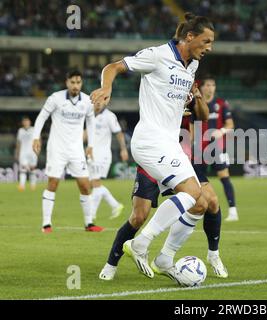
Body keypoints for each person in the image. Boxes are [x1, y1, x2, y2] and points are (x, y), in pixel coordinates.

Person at [91, 12, 214, 284]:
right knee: (187, 195)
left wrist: (192, 100)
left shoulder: (190, 66)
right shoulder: (157, 55)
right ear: (190, 37)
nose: (209, 48)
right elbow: (112, 67)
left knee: (200, 203)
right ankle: (140, 243)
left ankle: (165, 258)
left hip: (170, 143)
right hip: (149, 140)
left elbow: (198, 112)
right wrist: (106, 88)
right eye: (206, 41)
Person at [99, 84, 228, 281]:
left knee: (205, 202)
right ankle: (111, 264)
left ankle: (171, 257)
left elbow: (202, 117)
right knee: (139, 216)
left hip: (181, 159)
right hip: (155, 155)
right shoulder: (160, 86)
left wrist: (198, 96)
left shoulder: (186, 89)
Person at [32, 70, 104, 233]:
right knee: (53, 183)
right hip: (57, 148)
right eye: (73, 82)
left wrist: (91, 145)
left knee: (85, 186)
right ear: (67, 83)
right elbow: (42, 116)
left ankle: (89, 224)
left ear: (81, 83)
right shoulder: (55, 98)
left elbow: (91, 122)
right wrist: (36, 137)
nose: (75, 86)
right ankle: (46, 224)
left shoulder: (87, 101)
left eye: (78, 82)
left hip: (76, 150)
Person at [194, 76, 238, 222]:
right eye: (207, 85)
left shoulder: (221, 104)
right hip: (200, 148)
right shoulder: (196, 104)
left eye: (213, 85)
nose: (210, 87)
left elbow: (230, 124)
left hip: (218, 147)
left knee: (224, 177)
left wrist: (222, 131)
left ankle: (233, 211)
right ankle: (199, 207)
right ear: (201, 87)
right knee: (196, 179)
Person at [88, 104, 128, 220]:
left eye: (100, 99)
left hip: (102, 155)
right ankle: (116, 205)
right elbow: (87, 133)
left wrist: (123, 149)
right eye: (96, 100)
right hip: (92, 154)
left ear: (105, 100)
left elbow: (119, 133)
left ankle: (91, 215)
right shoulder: (90, 114)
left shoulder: (109, 116)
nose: (98, 102)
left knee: (96, 183)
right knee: (93, 184)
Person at [15, 116, 38, 191]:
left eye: (27, 121)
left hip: (32, 152)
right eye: (24, 121)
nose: (26, 122)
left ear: (30, 122)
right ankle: (22, 186)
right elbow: (18, 143)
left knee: (32, 169)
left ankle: (33, 185)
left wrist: (38, 150)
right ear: (22, 123)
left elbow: (38, 140)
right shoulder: (20, 130)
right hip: (23, 153)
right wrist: (17, 153)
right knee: (23, 169)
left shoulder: (33, 129)